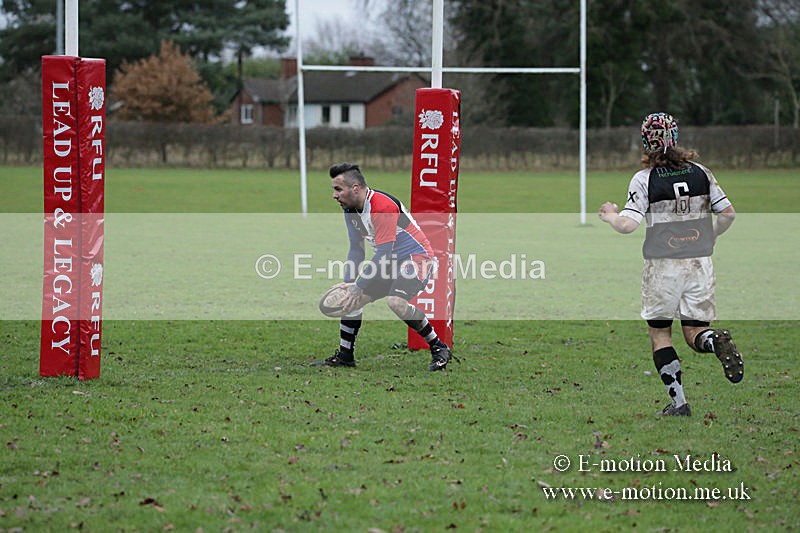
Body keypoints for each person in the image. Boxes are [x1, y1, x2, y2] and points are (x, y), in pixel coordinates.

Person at [598, 112, 744, 416]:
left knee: (660, 334)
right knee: (695, 332)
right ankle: (713, 341)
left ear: (645, 142)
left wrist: (610, 215)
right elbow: (728, 214)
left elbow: (627, 225)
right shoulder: (701, 172)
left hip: (663, 267)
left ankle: (679, 404)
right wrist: (712, 235)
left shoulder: (645, 178)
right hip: (700, 263)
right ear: (676, 138)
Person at [311, 163, 453, 371]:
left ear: (355, 188)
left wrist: (358, 285)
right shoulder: (350, 210)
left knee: (396, 302)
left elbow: (383, 253)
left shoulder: (382, 207)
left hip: (416, 259)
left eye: (338, 189)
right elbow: (356, 249)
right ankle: (345, 356)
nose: (334, 195)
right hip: (388, 262)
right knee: (351, 299)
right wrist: (348, 283)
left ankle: (439, 347)